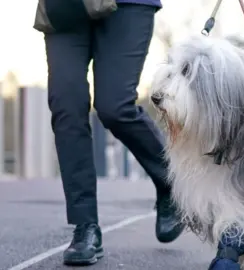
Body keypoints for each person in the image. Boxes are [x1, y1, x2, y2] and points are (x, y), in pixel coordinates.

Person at [43, 0, 184, 265]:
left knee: (114, 106)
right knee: (66, 105)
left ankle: (170, 181)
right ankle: (85, 227)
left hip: (129, 5)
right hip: (66, 5)